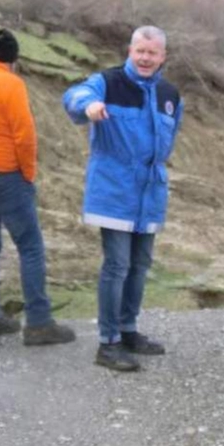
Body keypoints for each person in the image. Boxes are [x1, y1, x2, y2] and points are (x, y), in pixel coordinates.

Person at [62, 26, 183, 372]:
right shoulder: (107, 82)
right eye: (139, 51)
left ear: (163, 57)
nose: (145, 58)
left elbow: (169, 138)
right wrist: (90, 107)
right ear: (129, 51)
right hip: (113, 190)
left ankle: (129, 330)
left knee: (140, 265)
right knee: (117, 265)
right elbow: (74, 96)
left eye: (152, 52)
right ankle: (109, 342)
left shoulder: (170, 94)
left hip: (150, 193)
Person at [0, 29, 76, 346]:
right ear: (14, 60)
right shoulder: (11, 84)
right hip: (4, 173)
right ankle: (38, 322)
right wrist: (27, 173)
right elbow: (24, 135)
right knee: (30, 246)